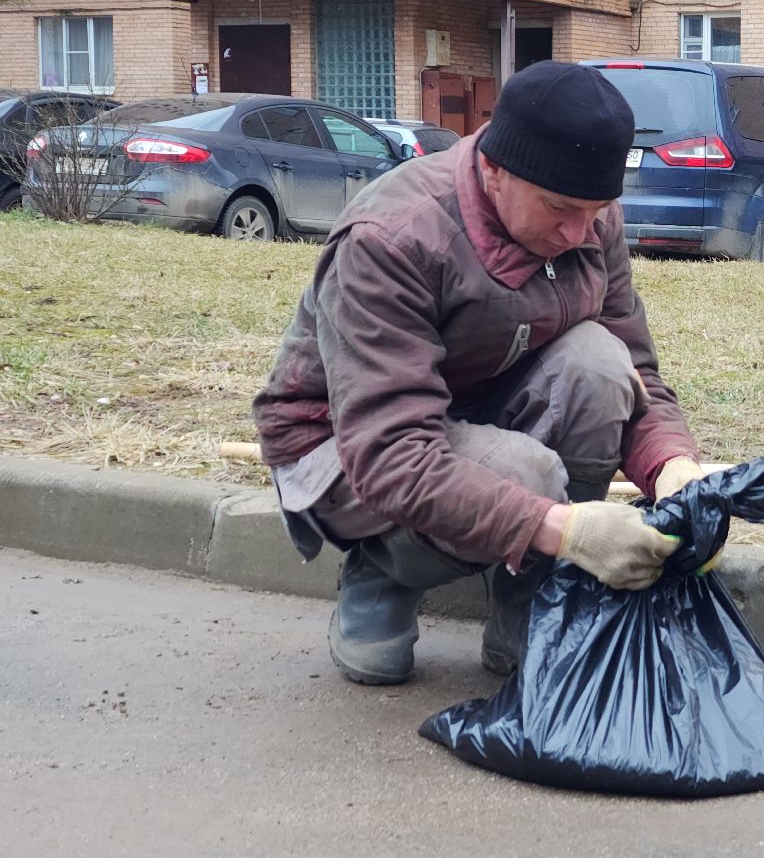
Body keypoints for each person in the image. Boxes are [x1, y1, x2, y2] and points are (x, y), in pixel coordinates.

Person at [251, 61, 705, 685]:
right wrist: (565, 529)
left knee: (600, 365)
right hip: (344, 446)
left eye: (597, 211)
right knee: (527, 472)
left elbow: (635, 371)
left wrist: (674, 469)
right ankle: (385, 568)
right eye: (561, 210)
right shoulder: (393, 237)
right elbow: (391, 454)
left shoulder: (590, 219)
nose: (581, 233)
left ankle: (532, 610)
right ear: (494, 169)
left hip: (477, 402)